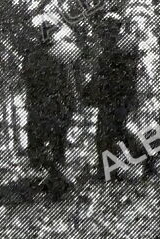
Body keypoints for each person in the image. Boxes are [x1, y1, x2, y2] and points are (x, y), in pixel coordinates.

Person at [87, 12, 153, 179]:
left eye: (108, 27)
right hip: (116, 97)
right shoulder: (121, 43)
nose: (105, 31)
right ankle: (110, 170)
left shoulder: (120, 45)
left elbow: (111, 72)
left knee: (110, 134)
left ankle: (110, 170)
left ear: (115, 27)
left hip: (116, 97)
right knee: (113, 133)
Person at [22, 15, 81, 196]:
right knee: (52, 145)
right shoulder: (66, 51)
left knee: (44, 145)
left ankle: (58, 179)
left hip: (50, 105)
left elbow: (70, 81)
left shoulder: (36, 55)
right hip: (55, 105)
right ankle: (54, 178)